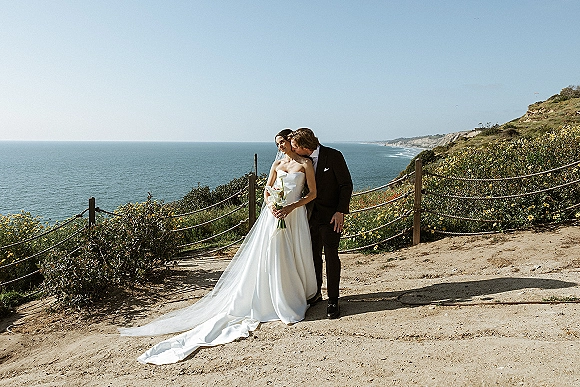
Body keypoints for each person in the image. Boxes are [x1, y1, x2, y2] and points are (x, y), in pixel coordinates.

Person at [119, 129, 318, 365]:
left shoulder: (306, 164)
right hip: (273, 215)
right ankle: (273, 297)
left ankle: (292, 295)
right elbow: (266, 190)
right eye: (278, 144)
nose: (281, 147)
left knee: (291, 254)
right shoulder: (276, 165)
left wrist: (291, 206)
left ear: (292, 142)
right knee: (272, 254)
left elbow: (313, 193)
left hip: (293, 216)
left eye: (283, 143)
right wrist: (272, 203)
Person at [289, 128, 353, 319]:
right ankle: (316, 293)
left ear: (304, 146)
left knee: (331, 256)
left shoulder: (333, 156)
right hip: (308, 217)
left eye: (294, 146)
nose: (292, 150)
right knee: (313, 256)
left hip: (331, 216)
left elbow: (346, 185)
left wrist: (340, 211)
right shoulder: (300, 161)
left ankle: (333, 300)